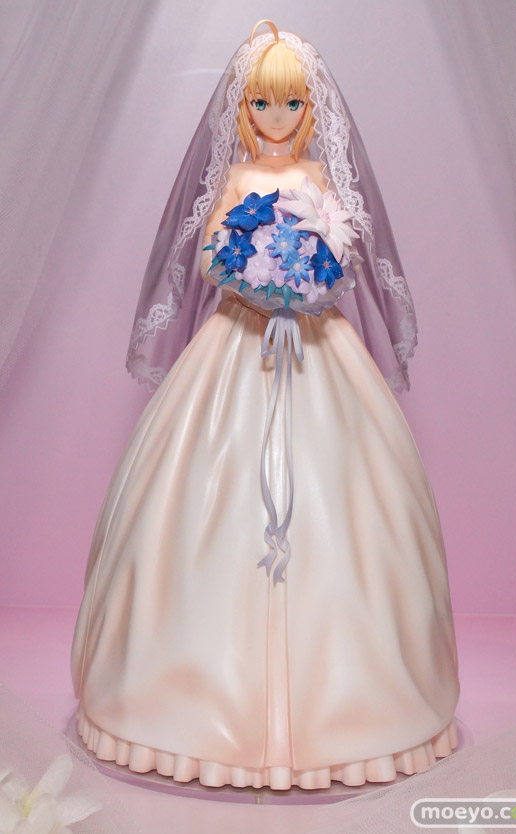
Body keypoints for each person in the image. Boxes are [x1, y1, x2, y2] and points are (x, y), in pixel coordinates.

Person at [70, 19, 460, 791]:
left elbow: (345, 250)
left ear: (311, 109)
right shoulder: (236, 179)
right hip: (236, 345)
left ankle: (356, 710)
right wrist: (248, 276)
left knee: (347, 503)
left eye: (290, 104)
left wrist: (314, 279)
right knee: (200, 500)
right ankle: (185, 701)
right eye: (261, 103)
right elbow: (210, 253)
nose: (276, 118)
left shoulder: (320, 177)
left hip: (317, 347)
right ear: (241, 109)